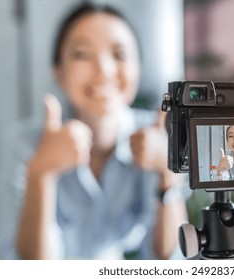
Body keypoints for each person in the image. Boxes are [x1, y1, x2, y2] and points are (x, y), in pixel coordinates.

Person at [11, 2, 187, 260]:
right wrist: (40, 175)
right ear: (59, 71)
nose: (104, 69)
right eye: (82, 54)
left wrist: (167, 175)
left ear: (138, 69)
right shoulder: (26, 144)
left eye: (119, 54)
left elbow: (168, 261)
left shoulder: (159, 137)